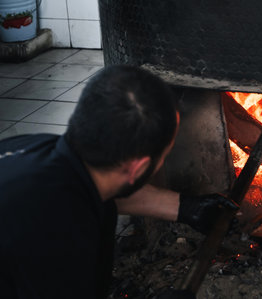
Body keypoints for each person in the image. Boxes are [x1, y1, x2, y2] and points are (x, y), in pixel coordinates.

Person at [0, 65, 236, 299]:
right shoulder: (60, 240)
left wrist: (184, 207)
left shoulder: (39, 150)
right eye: (165, 154)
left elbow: (95, 190)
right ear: (140, 167)